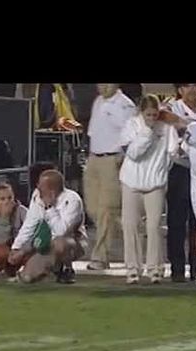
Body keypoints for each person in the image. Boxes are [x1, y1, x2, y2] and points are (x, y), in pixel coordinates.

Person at [118, 94, 180, 284]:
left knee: (154, 227)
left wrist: (162, 169)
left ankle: (155, 269)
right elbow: (134, 154)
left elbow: (173, 152)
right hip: (131, 181)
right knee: (130, 226)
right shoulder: (131, 125)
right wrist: (147, 133)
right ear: (141, 112)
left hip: (155, 183)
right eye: (148, 115)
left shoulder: (167, 128)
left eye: (154, 115)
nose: (152, 119)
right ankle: (132, 269)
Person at [85, 84, 136, 271]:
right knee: (93, 209)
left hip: (112, 160)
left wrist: (123, 159)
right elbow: (92, 132)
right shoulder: (97, 102)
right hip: (93, 159)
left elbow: (131, 135)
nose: (103, 86)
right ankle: (130, 230)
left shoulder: (125, 105)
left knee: (107, 209)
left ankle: (100, 257)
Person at [161, 84, 196, 283]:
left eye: (195, 85)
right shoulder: (173, 106)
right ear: (179, 90)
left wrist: (186, 126)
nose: (191, 90)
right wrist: (194, 126)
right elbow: (163, 114)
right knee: (177, 220)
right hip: (180, 167)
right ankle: (177, 267)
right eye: (186, 86)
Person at [8, 170, 87, 284]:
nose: (38, 187)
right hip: (46, 242)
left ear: (52, 191)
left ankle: (66, 269)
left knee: (60, 243)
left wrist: (49, 208)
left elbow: (62, 231)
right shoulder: (37, 196)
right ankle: (53, 269)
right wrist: (17, 247)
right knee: (26, 277)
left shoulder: (72, 200)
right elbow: (30, 224)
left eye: (41, 186)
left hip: (74, 242)